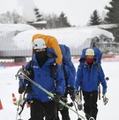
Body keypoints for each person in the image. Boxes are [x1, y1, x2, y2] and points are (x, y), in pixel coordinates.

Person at [18, 38, 65, 120]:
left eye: (42, 50)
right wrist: (22, 86)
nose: (41, 52)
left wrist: (58, 92)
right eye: (38, 50)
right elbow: (24, 77)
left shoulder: (52, 64)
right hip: (35, 97)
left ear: (46, 49)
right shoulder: (31, 64)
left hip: (50, 97)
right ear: (35, 51)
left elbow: (60, 80)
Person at [75, 48, 107, 120]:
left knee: (93, 104)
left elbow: (102, 77)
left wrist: (104, 88)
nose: (90, 58)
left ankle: (93, 117)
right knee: (86, 105)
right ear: (86, 56)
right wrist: (75, 88)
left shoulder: (97, 66)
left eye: (91, 56)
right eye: (89, 56)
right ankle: (88, 117)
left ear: (94, 57)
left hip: (94, 89)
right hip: (85, 89)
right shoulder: (81, 67)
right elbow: (78, 78)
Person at [56, 44, 76, 120]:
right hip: (62, 90)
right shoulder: (65, 66)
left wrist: (71, 89)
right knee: (63, 112)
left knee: (59, 112)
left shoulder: (64, 67)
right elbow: (71, 77)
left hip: (61, 91)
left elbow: (70, 77)